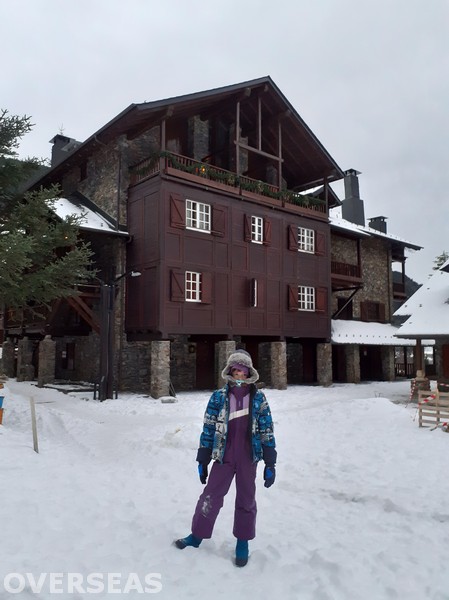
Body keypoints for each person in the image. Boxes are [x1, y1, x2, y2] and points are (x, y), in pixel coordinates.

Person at [174, 349, 277, 567]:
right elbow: (209, 427)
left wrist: (270, 462)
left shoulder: (258, 398)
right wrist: (203, 458)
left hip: (248, 457)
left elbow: (267, 429)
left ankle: (243, 542)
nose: (239, 375)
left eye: (243, 371)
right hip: (223, 456)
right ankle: (197, 535)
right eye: (236, 371)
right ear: (230, 372)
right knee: (210, 496)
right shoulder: (218, 397)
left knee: (246, 500)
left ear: (249, 373)